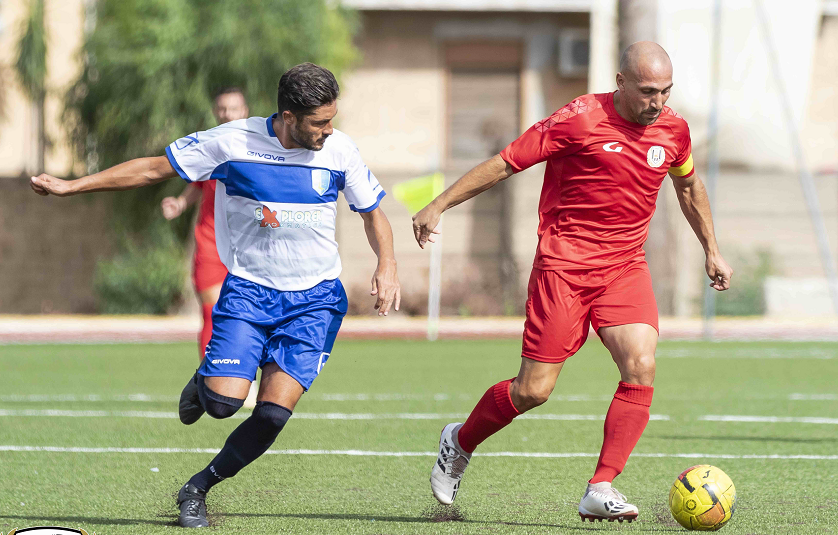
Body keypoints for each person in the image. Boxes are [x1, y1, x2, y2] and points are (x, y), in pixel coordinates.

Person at [30, 63, 401, 529]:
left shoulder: (340, 149)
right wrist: (72, 185)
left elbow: (373, 214)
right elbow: (152, 169)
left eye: (331, 119)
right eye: (318, 123)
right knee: (223, 405)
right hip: (249, 292)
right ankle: (204, 381)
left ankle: (198, 487)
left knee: (270, 416)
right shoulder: (232, 142)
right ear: (288, 116)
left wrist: (387, 264)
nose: (329, 130)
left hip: (315, 302)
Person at [412, 42, 733, 523]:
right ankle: (459, 441)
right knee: (533, 391)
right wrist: (439, 203)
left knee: (640, 363)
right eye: (648, 91)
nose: (658, 103)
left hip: (625, 267)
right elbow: (505, 162)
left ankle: (601, 486)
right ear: (620, 83)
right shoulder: (578, 118)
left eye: (666, 92)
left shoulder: (674, 129)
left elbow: (687, 185)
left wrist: (711, 248)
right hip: (563, 267)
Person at [161, 87, 260, 407]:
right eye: (221, 109)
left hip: (248, 248)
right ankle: (212, 381)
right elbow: (197, 183)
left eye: (233, 108)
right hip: (210, 245)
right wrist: (179, 202)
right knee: (213, 313)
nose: (227, 114)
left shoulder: (259, 149)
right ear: (216, 112)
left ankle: (244, 377)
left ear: (244, 111)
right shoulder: (208, 147)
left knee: (250, 316)